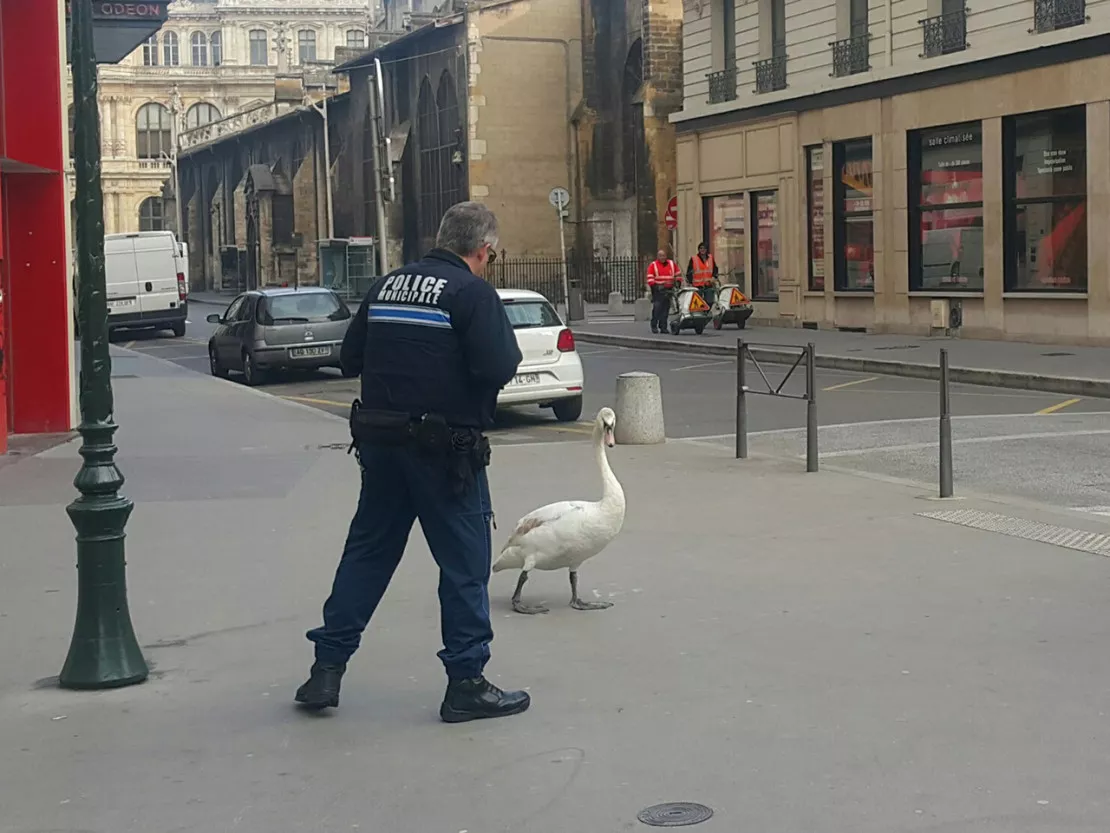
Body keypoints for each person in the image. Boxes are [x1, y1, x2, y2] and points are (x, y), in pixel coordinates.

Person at [295, 201, 531, 724]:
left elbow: (350, 357)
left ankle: (326, 669)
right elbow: (500, 365)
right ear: (482, 250)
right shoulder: (472, 293)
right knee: (464, 566)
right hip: (445, 456)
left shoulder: (387, 285)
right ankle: (466, 682)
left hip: (380, 448)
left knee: (367, 555)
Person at [646, 249, 679, 334]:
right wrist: (655, 287)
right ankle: (654, 325)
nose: (662, 257)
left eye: (663, 255)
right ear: (658, 257)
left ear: (666, 256)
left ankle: (663, 327)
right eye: (660, 256)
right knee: (657, 308)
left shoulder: (671, 264)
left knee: (665, 309)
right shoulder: (653, 265)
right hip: (658, 290)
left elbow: (677, 274)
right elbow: (650, 277)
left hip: (669, 289)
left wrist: (678, 282)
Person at [686, 241, 719, 308]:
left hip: (708, 284)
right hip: (697, 286)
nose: (702, 250)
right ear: (698, 250)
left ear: (706, 250)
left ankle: (707, 313)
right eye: (701, 248)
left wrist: (714, 277)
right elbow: (689, 272)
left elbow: (715, 269)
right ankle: (701, 316)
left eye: (704, 248)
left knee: (710, 302)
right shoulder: (694, 259)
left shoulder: (710, 258)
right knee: (698, 303)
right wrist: (690, 282)